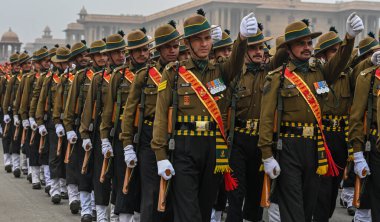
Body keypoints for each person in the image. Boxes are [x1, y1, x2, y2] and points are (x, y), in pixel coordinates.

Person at [151, 8, 256, 222]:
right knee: (188, 210)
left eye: (207, 38)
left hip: (212, 146)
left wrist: (242, 39)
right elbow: (161, 116)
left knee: (204, 206)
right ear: (187, 44)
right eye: (198, 40)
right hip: (184, 147)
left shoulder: (219, 71)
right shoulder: (173, 72)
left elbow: (235, 62)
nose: (204, 44)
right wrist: (160, 156)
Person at [258, 13, 361, 222]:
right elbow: (267, 117)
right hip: (288, 146)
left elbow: (340, 61)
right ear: (288, 49)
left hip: (315, 147)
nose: (307, 47)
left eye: (309, 42)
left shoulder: (320, 72)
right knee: (293, 206)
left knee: (308, 205)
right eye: (300, 44)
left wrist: (349, 38)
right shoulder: (277, 77)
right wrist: (267, 154)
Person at [120, 20, 182, 222]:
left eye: (175, 46)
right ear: (159, 50)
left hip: (179, 136)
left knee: (176, 193)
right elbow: (129, 112)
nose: (172, 51)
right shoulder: (145, 76)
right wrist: (127, 143)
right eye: (167, 47)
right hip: (149, 138)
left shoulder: (186, 74)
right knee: (151, 192)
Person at [79, 39, 110, 222]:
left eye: (104, 54)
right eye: (98, 54)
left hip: (113, 130)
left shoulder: (119, 76)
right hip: (92, 129)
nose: (102, 58)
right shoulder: (85, 77)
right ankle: (90, 209)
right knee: (89, 170)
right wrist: (82, 132)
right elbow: (85, 107)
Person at [36, 46, 71, 204]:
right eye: (62, 62)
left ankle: (64, 186)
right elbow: (42, 99)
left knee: (67, 155)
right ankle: (55, 187)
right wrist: (39, 121)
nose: (65, 65)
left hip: (70, 121)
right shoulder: (50, 78)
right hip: (53, 120)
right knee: (55, 155)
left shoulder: (74, 77)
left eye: (67, 62)